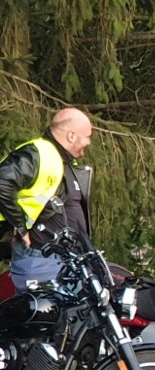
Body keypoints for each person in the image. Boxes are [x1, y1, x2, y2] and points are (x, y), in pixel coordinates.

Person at [0, 108, 94, 292]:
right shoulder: (40, 153)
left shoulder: (61, 161)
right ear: (71, 136)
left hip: (64, 261)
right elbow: (2, 181)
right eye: (87, 136)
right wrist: (20, 226)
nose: (89, 142)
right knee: (46, 318)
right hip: (40, 259)